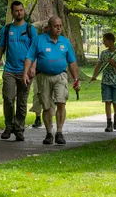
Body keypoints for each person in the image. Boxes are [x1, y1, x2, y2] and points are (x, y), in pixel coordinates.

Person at [23, 16, 80, 145]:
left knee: (61, 102)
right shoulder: (39, 40)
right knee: (46, 105)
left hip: (60, 76)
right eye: (56, 26)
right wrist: (25, 73)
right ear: (49, 26)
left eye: (60, 26)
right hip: (43, 77)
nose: (59, 28)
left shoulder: (65, 42)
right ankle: (49, 133)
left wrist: (76, 79)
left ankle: (59, 132)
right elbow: (29, 57)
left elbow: (72, 62)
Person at [0, 1, 38, 142]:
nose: (19, 13)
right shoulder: (7, 29)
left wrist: (33, 67)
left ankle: (19, 129)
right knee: (8, 98)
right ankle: (9, 126)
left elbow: (36, 50)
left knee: (22, 101)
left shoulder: (30, 29)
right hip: (9, 70)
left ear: (24, 11)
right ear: (12, 13)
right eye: (16, 11)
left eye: (21, 10)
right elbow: (0, 48)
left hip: (25, 71)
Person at [92, 32, 116, 132]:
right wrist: (94, 75)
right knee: (107, 102)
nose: (103, 42)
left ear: (110, 41)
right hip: (106, 82)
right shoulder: (104, 53)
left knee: (115, 102)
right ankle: (109, 123)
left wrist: (114, 64)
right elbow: (98, 65)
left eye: (105, 40)